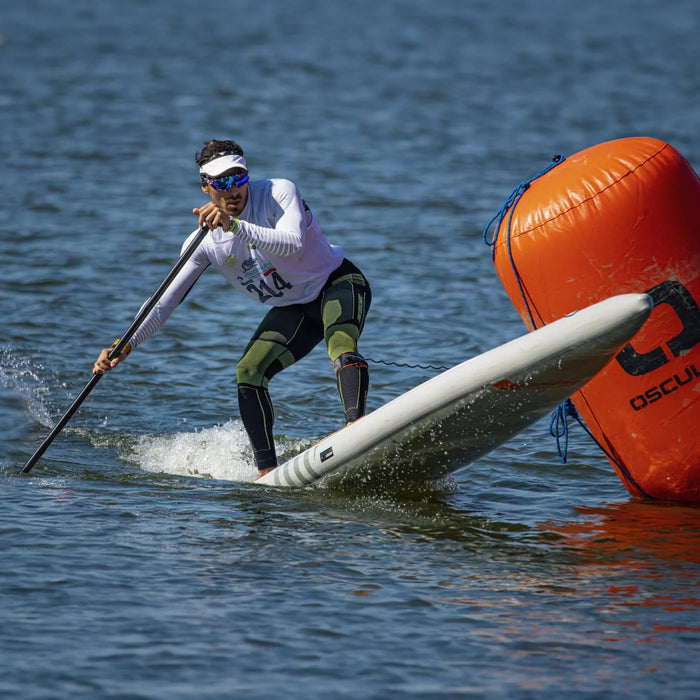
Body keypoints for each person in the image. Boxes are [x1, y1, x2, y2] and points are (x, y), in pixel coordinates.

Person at [94, 139, 371, 479]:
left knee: (340, 346)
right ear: (205, 187)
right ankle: (267, 471)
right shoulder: (203, 243)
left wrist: (234, 224)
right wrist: (126, 343)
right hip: (293, 308)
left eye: (238, 179)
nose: (233, 190)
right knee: (248, 372)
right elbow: (163, 302)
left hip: (337, 283)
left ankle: (357, 430)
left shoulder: (278, 192)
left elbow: (292, 242)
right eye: (221, 183)